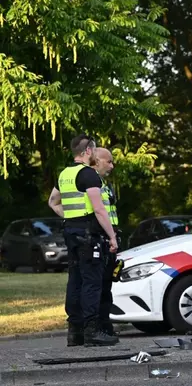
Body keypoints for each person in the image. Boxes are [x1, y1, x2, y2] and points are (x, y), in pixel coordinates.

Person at [48, 135, 119, 347]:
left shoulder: (64, 174)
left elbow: (53, 201)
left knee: (75, 281)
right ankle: (92, 331)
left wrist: (70, 218)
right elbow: (99, 209)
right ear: (88, 150)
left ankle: (75, 332)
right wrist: (112, 236)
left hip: (72, 233)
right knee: (92, 283)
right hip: (90, 236)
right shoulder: (89, 175)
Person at [93, 147, 121, 337]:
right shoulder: (89, 183)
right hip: (99, 240)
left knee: (106, 286)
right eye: (108, 161)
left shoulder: (103, 184)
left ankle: (105, 323)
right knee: (98, 286)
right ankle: (100, 326)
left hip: (109, 239)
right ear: (96, 161)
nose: (112, 166)